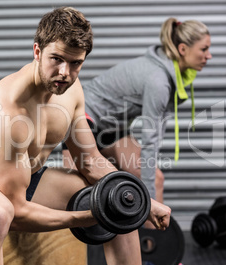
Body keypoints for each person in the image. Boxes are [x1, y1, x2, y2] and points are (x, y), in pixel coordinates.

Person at [0, 7, 171, 265]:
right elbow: (16, 211)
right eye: (56, 59)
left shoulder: (72, 91)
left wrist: (144, 202)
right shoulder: (8, 109)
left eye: (75, 63)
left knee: (116, 197)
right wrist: (84, 217)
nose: (65, 72)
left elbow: (89, 161)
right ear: (37, 52)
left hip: (25, 177)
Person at [63, 17, 212, 205]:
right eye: (204, 49)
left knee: (154, 180)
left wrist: (151, 201)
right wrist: (152, 204)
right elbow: (151, 141)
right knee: (79, 191)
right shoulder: (158, 82)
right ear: (182, 49)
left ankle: (152, 235)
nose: (209, 56)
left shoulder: (165, 74)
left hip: (111, 127)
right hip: (82, 117)